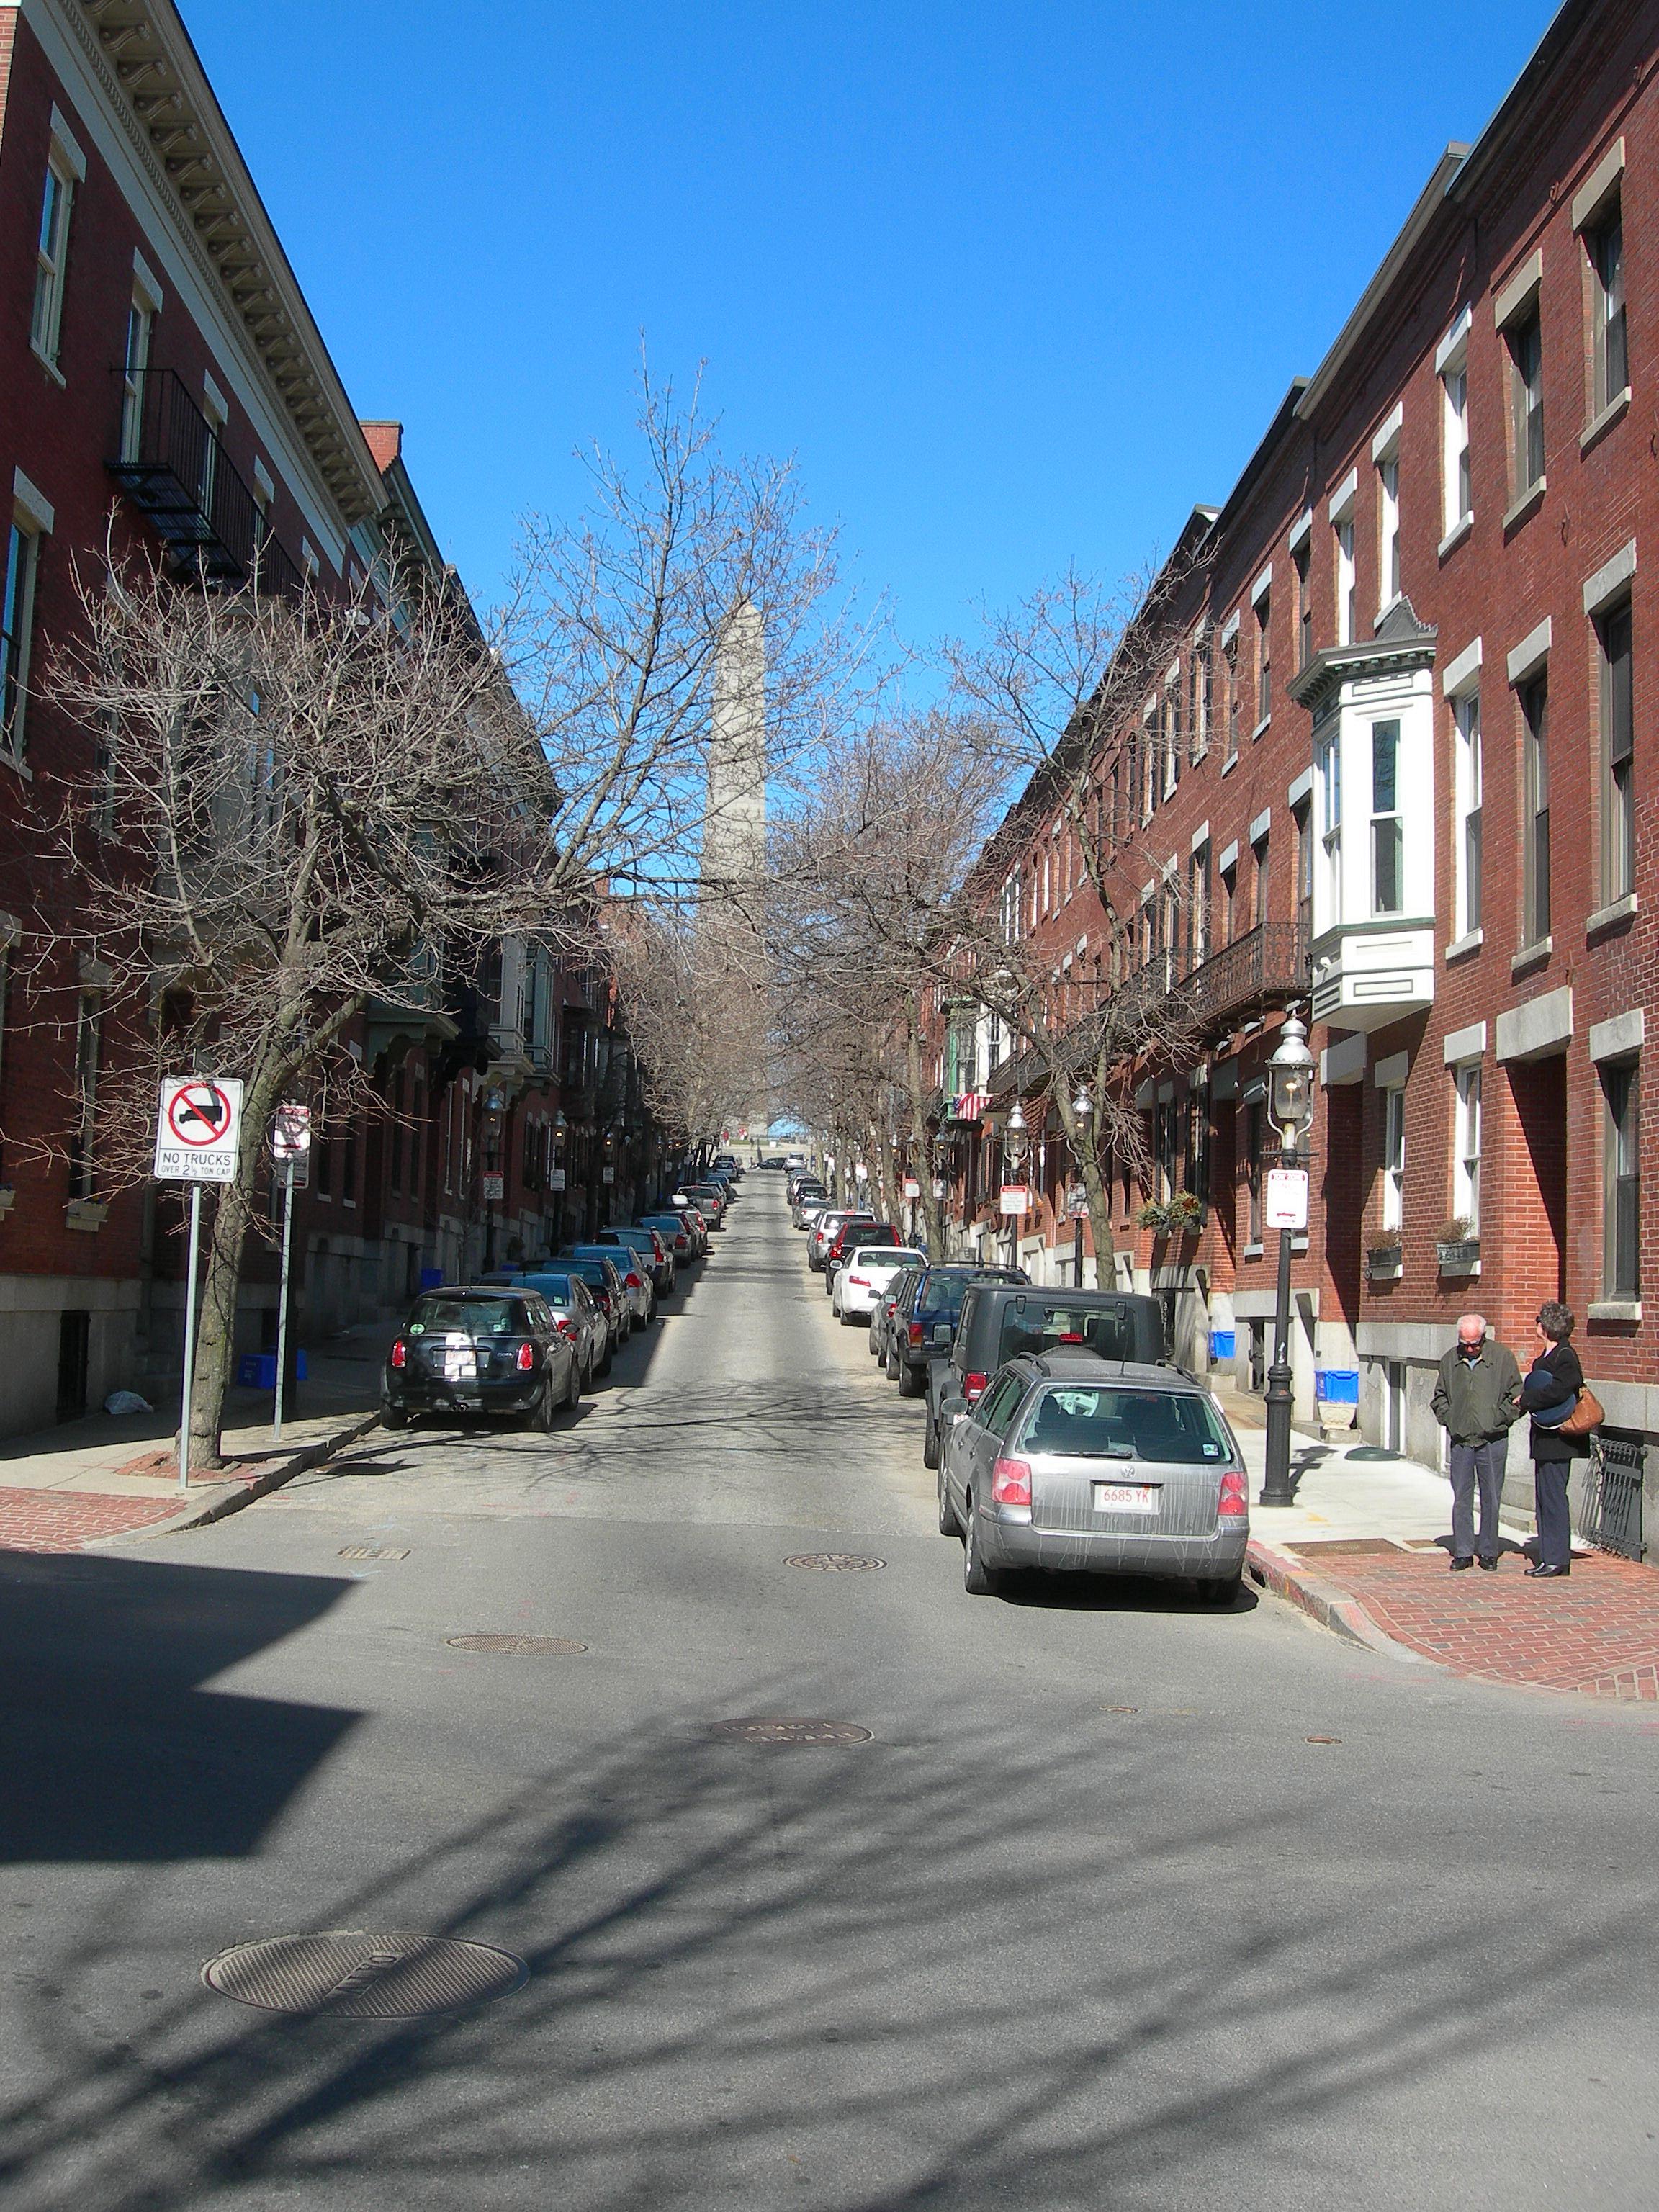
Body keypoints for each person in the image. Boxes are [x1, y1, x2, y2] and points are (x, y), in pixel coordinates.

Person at [1430, 1313, 1521, 1571]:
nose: (1470, 1350)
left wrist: (1498, 1420)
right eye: (1465, 1344)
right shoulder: (1450, 1360)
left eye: (1475, 1344)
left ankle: (1489, 1551)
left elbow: (1517, 1396)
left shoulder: (1502, 1358)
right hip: (1461, 1440)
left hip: (1492, 1440)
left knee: (1491, 1497)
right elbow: (1439, 1397)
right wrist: (1451, 1420)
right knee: (1462, 1497)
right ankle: (1463, 1551)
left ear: (1484, 1337)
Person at [1520, 1301, 1588, 1578]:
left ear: (1547, 1327)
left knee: (1554, 1499)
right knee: (1544, 1499)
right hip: (1544, 1438)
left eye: (1539, 1320)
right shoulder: (1546, 1356)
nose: (1536, 1324)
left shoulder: (1565, 1355)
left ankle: (1557, 1559)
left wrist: (1527, 1399)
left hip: (1559, 1441)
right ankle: (1548, 1555)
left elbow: (1560, 1391)